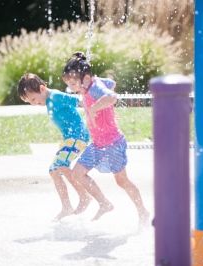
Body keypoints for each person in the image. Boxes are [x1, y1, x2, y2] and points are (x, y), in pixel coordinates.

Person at [62, 52, 150, 225]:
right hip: (97, 144)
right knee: (77, 173)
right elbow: (112, 84)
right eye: (69, 84)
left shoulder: (94, 88)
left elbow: (112, 96)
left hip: (113, 143)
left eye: (73, 83)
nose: (72, 88)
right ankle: (104, 203)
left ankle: (143, 212)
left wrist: (94, 108)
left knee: (122, 181)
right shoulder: (90, 85)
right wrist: (94, 82)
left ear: (85, 78)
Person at [17, 73, 111, 221]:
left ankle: (87, 197)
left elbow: (81, 101)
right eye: (30, 102)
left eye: (34, 99)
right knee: (54, 170)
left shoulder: (56, 96)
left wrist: (100, 108)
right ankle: (67, 206)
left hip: (77, 136)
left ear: (42, 88)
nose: (34, 104)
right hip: (70, 139)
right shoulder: (49, 100)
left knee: (60, 165)